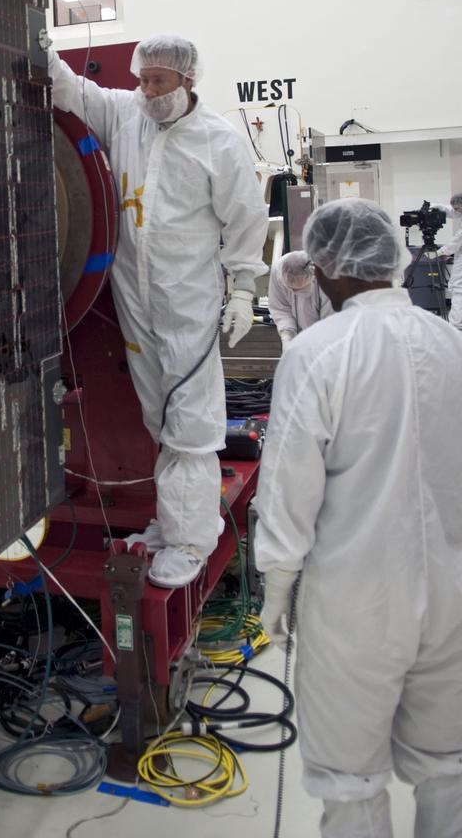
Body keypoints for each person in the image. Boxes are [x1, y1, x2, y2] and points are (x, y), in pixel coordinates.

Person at [254, 198, 462, 838]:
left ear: (323, 267)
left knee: (350, 782)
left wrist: (278, 584)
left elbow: (290, 485)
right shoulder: (452, 342)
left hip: (354, 604)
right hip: (455, 595)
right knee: (451, 768)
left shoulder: (317, 353)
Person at [48, 36, 267, 587]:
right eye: (142, 79)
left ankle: (194, 540)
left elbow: (245, 219)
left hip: (186, 299)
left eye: (159, 82)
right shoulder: (127, 114)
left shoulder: (217, 140)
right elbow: (72, 92)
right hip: (135, 298)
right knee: (160, 420)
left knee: (190, 424)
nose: (147, 91)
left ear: (187, 80)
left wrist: (243, 289)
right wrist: (43, 49)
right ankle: (172, 525)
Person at [267, 249, 333, 349]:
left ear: (313, 278)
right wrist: (287, 335)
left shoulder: (328, 278)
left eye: (299, 289)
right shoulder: (277, 271)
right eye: (290, 288)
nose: (293, 292)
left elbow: (330, 320)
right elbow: (281, 308)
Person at [437, 193, 462, 330]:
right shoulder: (460, 211)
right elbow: (451, 211)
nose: (456, 211)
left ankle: (455, 326)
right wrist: (433, 207)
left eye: (458, 208)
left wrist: (439, 252)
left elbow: (456, 241)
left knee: (458, 288)